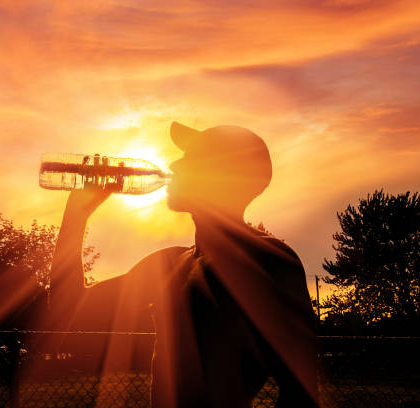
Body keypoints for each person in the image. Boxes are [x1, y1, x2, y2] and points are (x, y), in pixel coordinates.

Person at [46, 122, 319, 407]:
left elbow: (301, 394)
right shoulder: (168, 264)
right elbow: (69, 313)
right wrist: (77, 213)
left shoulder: (267, 261)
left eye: (192, 159)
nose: (175, 165)